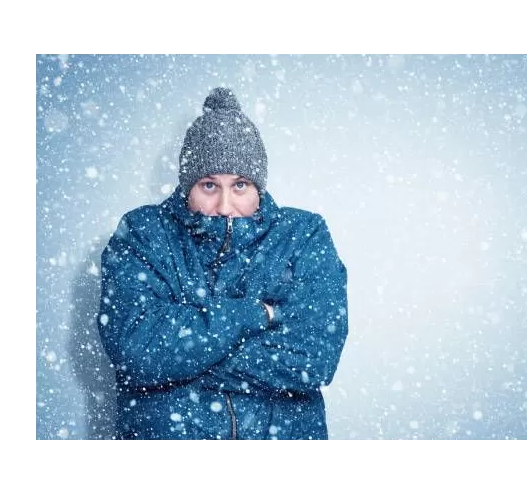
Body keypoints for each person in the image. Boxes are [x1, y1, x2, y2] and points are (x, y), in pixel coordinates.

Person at [97, 87, 348, 440]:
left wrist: (184, 360)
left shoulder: (302, 234)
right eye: (210, 185)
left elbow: (314, 358)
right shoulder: (144, 233)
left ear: (258, 186)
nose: (226, 205)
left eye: (241, 185)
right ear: (188, 186)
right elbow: (136, 352)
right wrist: (253, 315)